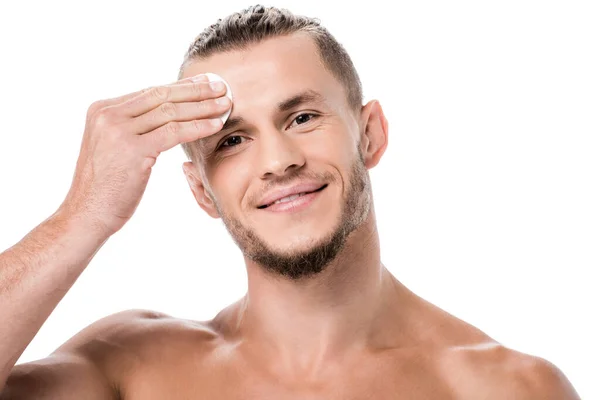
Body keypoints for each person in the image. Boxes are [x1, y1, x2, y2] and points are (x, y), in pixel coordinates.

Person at [0, 4, 580, 399]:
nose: (278, 162)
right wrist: (84, 215)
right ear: (201, 190)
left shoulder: (504, 388)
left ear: (370, 133)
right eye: (233, 140)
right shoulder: (130, 367)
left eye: (302, 117)